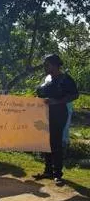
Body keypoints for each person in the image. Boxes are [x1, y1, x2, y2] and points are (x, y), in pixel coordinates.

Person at [34, 54, 79, 186]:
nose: (44, 67)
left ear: (54, 65)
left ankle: (57, 174)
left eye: (46, 64)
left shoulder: (65, 79)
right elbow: (41, 93)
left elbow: (75, 95)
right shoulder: (47, 79)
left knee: (55, 142)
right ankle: (48, 171)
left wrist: (57, 102)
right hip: (45, 113)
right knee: (45, 142)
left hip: (59, 113)